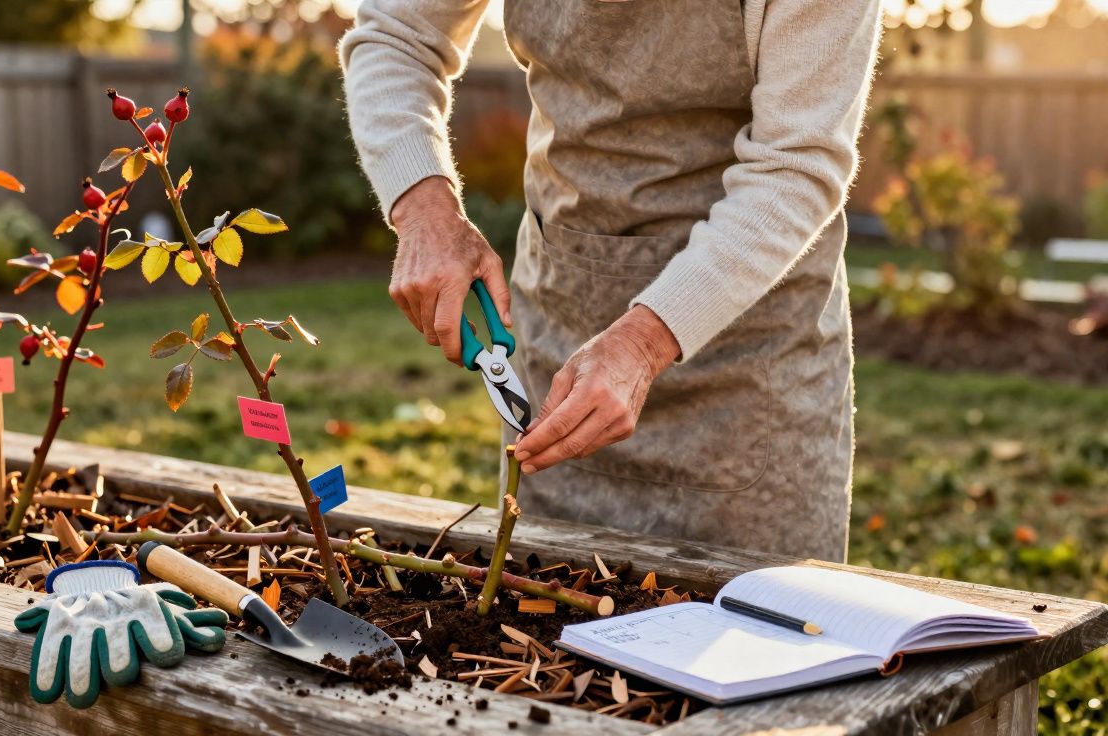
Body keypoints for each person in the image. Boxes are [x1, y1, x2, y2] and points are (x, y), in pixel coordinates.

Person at [340, 0, 881, 563]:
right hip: (559, 327)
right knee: (546, 595)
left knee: (757, 611)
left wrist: (645, 342)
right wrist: (424, 209)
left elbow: (797, 164)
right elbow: (396, 36)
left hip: (750, 370)